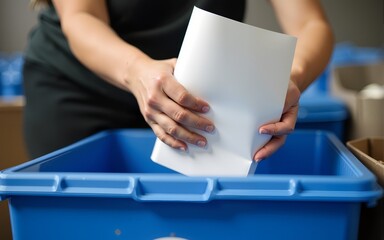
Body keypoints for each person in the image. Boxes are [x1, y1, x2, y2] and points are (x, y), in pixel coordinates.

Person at [24, 0, 333, 160]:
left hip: (199, 101)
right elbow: (81, 16)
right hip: (80, 89)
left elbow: (309, 22)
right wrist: (137, 72)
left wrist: (286, 80)